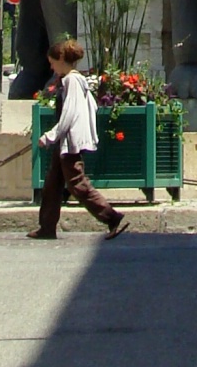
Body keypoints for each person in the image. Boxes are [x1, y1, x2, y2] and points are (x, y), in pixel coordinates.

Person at [29, 41, 127, 241]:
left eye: (52, 62)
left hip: (69, 142)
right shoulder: (74, 80)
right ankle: (47, 227)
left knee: (77, 184)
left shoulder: (71, 81)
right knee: (52, 185)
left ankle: (111, 217)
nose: (51, 67)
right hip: (65, 142)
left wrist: (50, 136)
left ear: (62, 60)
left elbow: (69, 113)